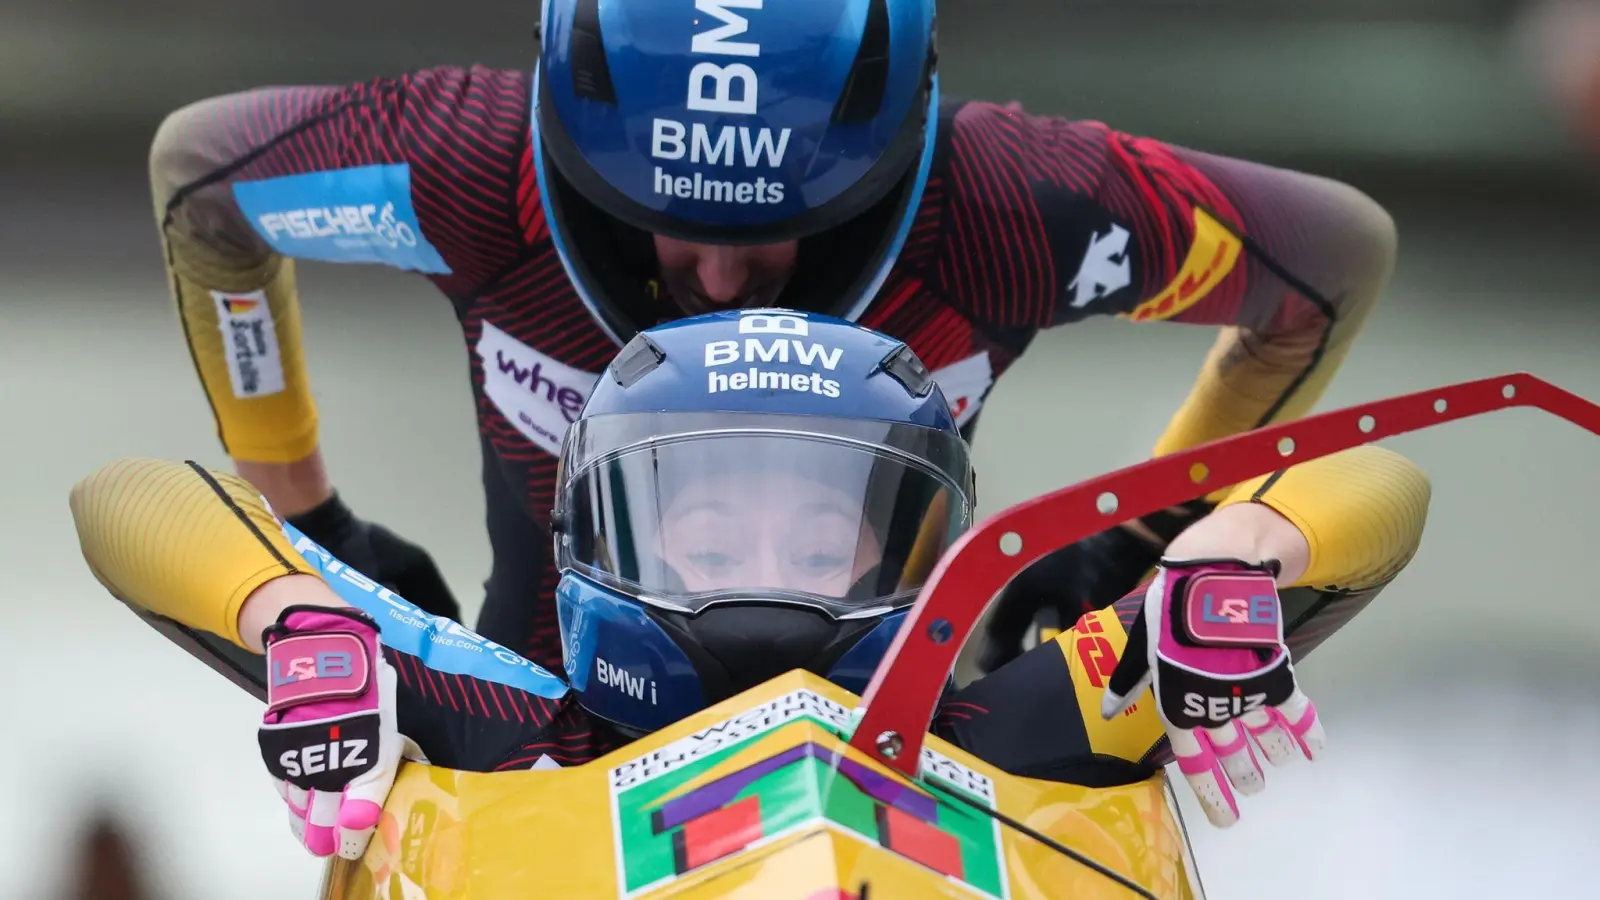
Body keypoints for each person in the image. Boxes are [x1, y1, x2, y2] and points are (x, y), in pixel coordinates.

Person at [147, 0, 1400, 677]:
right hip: (545, 713)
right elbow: (199, 183)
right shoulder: (471, 165)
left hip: (893, 720)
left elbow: (1330, 261)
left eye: (785, 235)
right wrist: (304, 523)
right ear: (575, 163)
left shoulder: (1007, 203)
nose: (720, 276)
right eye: (660, 228)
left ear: (890, 176)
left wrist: (1141, 533)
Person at [71, 310, 1431, 863]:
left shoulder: (1019, 722)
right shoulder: (502, 726)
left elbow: (1381, 488)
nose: (762, 576)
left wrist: (1231, 565)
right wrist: (296, 624)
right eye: (710, 529)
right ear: (602, 539)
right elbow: (127, 497)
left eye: (820, 535)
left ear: (911, 554)